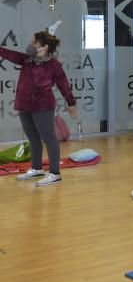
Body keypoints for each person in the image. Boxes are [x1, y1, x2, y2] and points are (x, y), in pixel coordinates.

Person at [0, 31, 79, 186]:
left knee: (49, 139)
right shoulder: (26, 59)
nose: (31, 45)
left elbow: (64, 85)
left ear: (44, 47)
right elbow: (8, 53)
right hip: (24, 104)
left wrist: (71, 103)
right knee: (33, 138)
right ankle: (36, 168)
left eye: (34, 43)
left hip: (43, 106)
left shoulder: (54, 65)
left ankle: (55, 173)